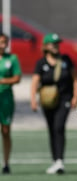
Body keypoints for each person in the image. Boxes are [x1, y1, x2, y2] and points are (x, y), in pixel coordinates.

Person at [30, 33, 77, 174]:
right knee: (52, 129)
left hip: (64, 99)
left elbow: (75, 78)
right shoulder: (41, 63)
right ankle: (55, 160)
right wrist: (33, 100)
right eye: (53, 44)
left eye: (57, 43)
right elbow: (34, 82)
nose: (56, 46)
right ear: (45, 46)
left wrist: (76, 96)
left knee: (59, 126)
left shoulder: (66, 60)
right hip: (47, 101)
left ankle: (59, 161)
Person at [0, 33, 22, 174]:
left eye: (5, 42)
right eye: (1, 42)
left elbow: (17, 77)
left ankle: (6, 163)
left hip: (6, 99)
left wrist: (2, 81)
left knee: (6, 131)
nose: (3, 45)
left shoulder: (12, 58)